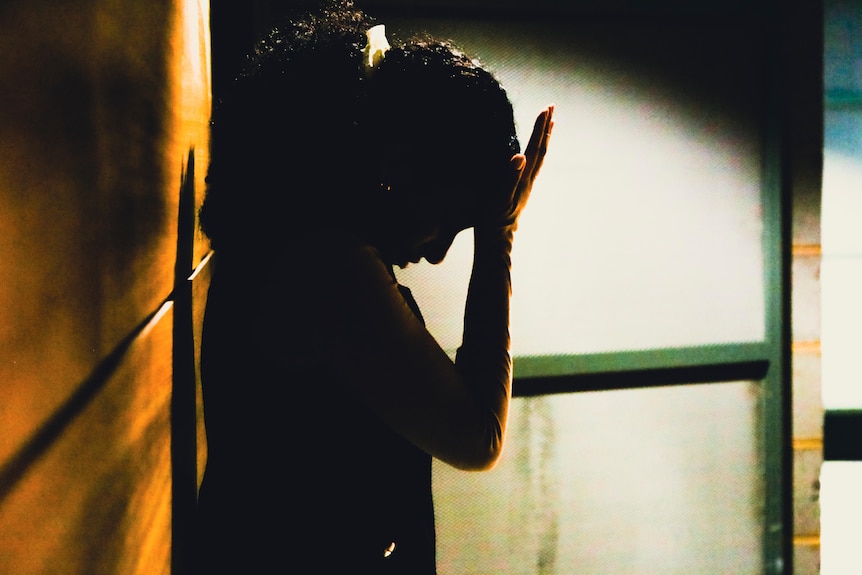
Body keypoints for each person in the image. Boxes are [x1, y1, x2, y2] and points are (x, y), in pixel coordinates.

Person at [195, 1, 553, 572]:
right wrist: (499, 235)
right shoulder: (327, 265)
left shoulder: (297, 238)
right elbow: (477, 436)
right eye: (452, 220)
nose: (437, 253)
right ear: (402, 166)